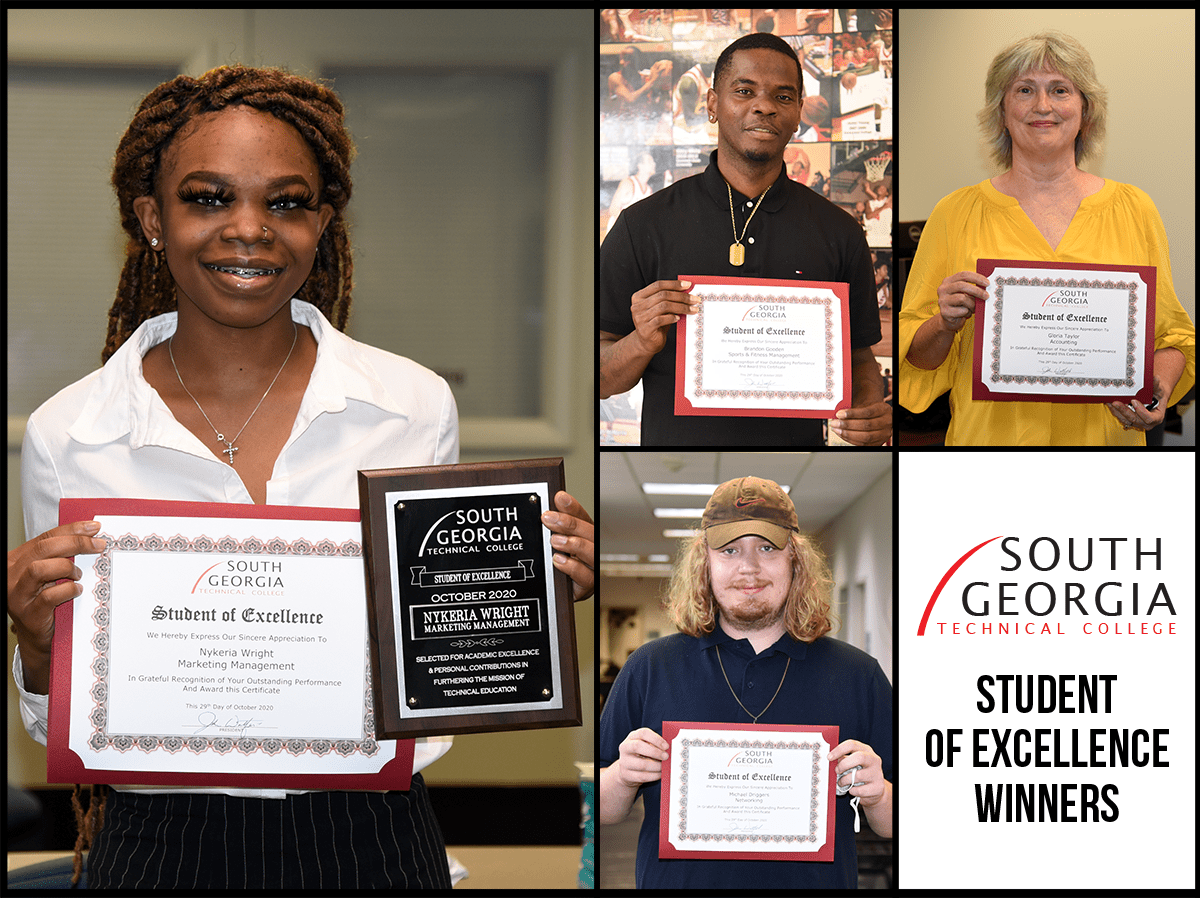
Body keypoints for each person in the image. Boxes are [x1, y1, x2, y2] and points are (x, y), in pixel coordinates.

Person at [7, 65, 595, 889]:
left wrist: (520, 600)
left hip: (368, 835)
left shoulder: (410, 406)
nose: (249, 229)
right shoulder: (71, 431)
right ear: (150, 217)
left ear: (323, 221)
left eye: (285, 202)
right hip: (155, 841)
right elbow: (60, 715)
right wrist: (37, 645)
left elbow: (436, 658)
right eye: (207, 197)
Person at [899, 31, 1195, 445]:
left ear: (1085, 110)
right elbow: (916, 357)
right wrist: (945, 323)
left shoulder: (1134, 208)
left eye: (1060, 90)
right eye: (1024, 90)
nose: (1043, 106)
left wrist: (1156, 392)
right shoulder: (954, 212)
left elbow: (1172, 338)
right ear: (1001, 111)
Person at [598, 476, 893, 889]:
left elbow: (894, 824)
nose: (748, 568)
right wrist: (621, 776)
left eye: (767, 548)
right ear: (706, 561)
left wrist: (878, 795)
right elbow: (604, 811)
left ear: (795, 559)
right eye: (730, 550)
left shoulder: (859, 675)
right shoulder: (649, 668)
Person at [599, 33, 891, 446]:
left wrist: (867, 412)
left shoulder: (838, 230)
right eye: (744, 91)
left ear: (798, 114)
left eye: (783, 96)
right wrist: (641, 341)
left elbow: (860, 356)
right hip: (675, 460)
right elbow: (598, 379)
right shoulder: (642, 224)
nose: (765, 106)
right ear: (713, 104)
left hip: (799, 462)